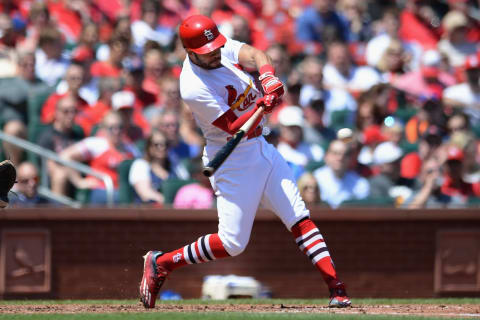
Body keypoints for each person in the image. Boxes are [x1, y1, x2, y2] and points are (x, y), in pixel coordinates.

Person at [139, 14, 351, 309]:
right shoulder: (192, 85)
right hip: (231, 157)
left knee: (298, 216)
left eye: (216, 48)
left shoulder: (216, 46)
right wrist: (264, 106)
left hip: (261, 147)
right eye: (206, 53)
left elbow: (254, 54)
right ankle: (162, 263)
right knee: (232, 243)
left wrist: (267, 76)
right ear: (189, 52)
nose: (214, 54)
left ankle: (336, 288)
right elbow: (235, 126)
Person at [129, 131, 187, 205]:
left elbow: (187, 185)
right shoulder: (140, 165)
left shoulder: (175, 166)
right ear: (149, 147)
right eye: (157, 145)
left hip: (175, 210)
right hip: (149, 211)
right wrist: (167, 200)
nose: (162, 147)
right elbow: (145, 194)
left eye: (165, 144)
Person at [313, 139, 370, 208]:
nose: (340, 157)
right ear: (326, 156)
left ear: (350, 159)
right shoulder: (314, 179)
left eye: (345, 154)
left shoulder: (360, 183)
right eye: (335, 153)